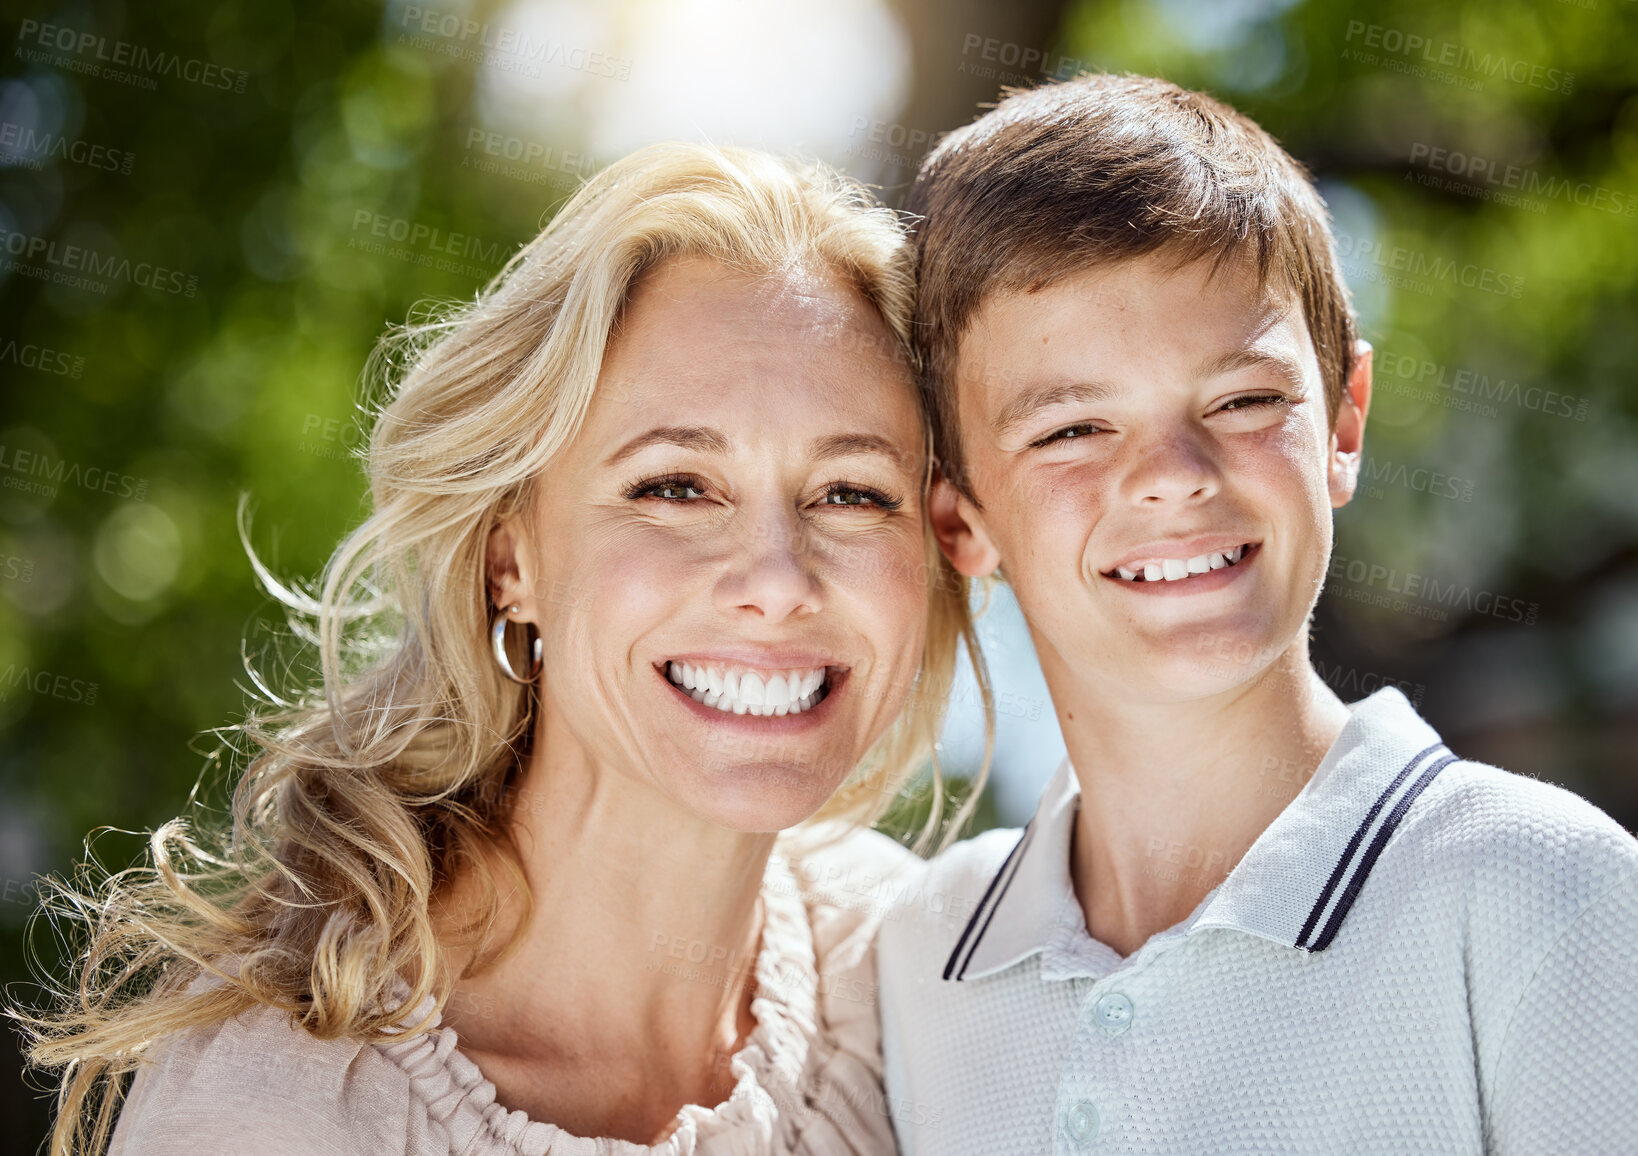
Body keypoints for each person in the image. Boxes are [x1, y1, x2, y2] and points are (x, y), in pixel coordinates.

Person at [20, 142, 987, 1156]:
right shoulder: (279, 1109)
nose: (777, 580)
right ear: (509, 557)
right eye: (674, 486)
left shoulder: (916, 971)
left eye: (851, 493)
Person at [876, 74, 1638, 1153]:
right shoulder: (917, 955)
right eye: (1070, 429)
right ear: (962, 524)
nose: (1170, 477)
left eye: (1240, 401)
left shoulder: (1535, 885)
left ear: (1342, 421)